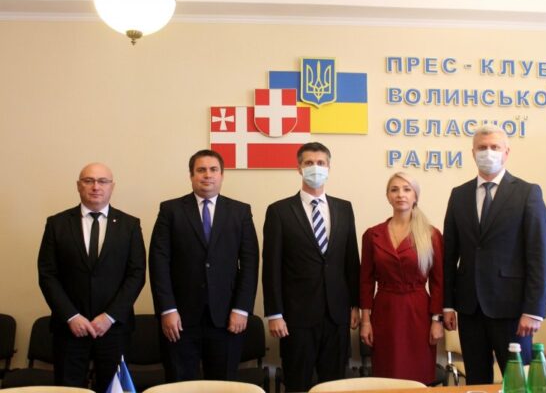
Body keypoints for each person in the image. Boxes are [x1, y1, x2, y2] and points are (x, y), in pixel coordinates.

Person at [443, 125, 546, 385]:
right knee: (477, 383)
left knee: (519, 384)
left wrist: (534, 310)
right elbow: (449, 254)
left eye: (494, 147)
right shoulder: (459, 195)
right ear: (473, 153)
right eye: (482, 148)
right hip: (470, 310)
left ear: (506, 152)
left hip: (513, 311)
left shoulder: (527, 193)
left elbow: (540, 255)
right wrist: (447, 304)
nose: (488, 152)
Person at [149, 149, 259, 382]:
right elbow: (159, 262)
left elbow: (250, 263)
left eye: (213, 169)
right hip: (179, 319)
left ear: (222, 175)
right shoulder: (170, 210)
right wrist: (167, 309)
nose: (207, 175)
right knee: (180, 384)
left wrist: (241, 309)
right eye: (201, 170)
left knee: (223, 385)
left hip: (227, 318)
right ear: (191, 175)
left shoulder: (240, 211)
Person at [38, 163, 146, 393]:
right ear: (79, 186)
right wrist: (71, 316)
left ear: (112, 186)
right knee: (68, 390)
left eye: (102, 181)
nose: (96, 187)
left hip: (114, 329)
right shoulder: (57, 224)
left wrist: (109, 316)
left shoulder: (130, 225)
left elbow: (136, 275)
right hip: (70, 329)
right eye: (89, 181)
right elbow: (47, 275)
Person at [262, 142, 360, 392]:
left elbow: (351, 260)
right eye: (309, 163)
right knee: (298, 384)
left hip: (336, 315)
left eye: (320, 163)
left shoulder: (344, 208)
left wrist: (355, 305)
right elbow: (271, 267)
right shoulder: (279, 211)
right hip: (296, 317)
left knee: (334, 385)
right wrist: (275, 314)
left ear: (329, 167)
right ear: (299, 168)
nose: (315, 168)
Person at [359, 172, 443, 384]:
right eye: (394, 190)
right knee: (387, 375)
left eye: (407, 189)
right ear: (388, 196)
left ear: (415, 196)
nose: (400, 194)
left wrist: (437, 320)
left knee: (418, 375)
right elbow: (366, 282)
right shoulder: (372, 235)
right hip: (385, 311)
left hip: (418, 313)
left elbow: (438, 282)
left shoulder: (431, 235)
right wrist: (365, 321)